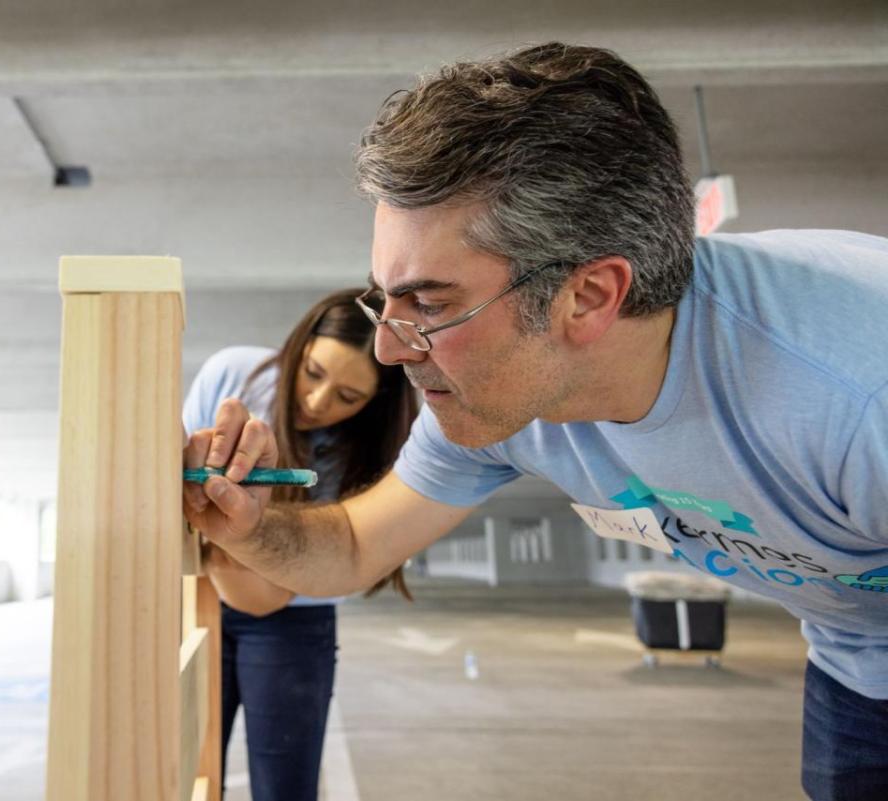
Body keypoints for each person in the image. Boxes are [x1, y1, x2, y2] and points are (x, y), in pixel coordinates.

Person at [183, 42, 888, 801]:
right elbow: (355, 543)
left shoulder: (852, 391)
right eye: (385, 299)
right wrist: (250, 527)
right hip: (857, 659)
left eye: (430, 303)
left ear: (586, 298)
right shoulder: (509, 390)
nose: (388, 348)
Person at [182, 287, 417, 800]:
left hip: (290, 617)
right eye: (313, 373)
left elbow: (265, 597)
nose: (316, 402)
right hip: (199, 598)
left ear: (372, 404)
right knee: (187, 776)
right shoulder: (235, 375)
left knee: (284, 785)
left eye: (347, 398)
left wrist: (212, 528)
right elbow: (174, 494)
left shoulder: (358, 454)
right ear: (297, 344)